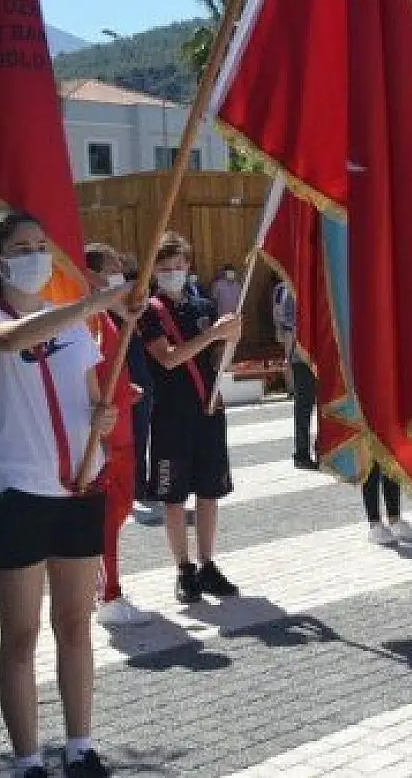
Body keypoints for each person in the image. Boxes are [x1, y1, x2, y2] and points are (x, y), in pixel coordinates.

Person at [0, 211, 136, 778]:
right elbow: (11, 339)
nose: (37, 255)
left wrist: (103, 419)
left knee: (75, 623)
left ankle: (80, 744)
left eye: (42, 244)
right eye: (22, 247)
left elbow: (90, 401)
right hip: (16, 492)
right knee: (21, 632)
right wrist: (90, 303)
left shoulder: (73, 329)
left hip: (79, 487)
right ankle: (26, 758)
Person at [139, 232, 243, 604]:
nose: (173, 273)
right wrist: (212, 334)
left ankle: (207, 564)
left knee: (210, 492)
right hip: (171, 416)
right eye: (165, 268)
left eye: (179, 266)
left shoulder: (203, 306)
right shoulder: (150, 311)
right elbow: (167, 358)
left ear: (189, 265)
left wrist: (230, 337)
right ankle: (183, 569)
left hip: (208, 411)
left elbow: (216, 359)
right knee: (173, 497)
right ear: (154, 270)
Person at [83, 243, 156, 628]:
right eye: (111, 270)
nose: (120, 277)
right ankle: (108, 595)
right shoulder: (90, 320)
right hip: (110, 435)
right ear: (92, 275)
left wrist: (127, 392)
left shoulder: (108, 318)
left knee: (121, 509)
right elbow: (90, 379)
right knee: (108, 517)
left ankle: (102, 586)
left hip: (125, 427)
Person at [118, 254, 158, 520]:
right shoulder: (110, 315)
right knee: (126, 441)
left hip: (144, 383)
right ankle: (129, 487)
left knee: (142, 436)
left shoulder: (140, 313)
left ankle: (140, 485)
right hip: (123, 387)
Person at [273, 278, 318, 471]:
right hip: (302, 356)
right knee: (304, 405)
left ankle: (323, 447)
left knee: (324, 404)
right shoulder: (288, 288)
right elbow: (287, 323)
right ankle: (302, 452)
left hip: (322, 355)